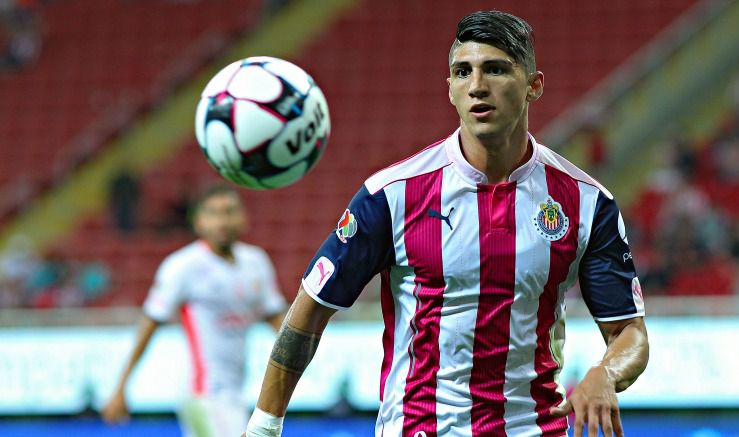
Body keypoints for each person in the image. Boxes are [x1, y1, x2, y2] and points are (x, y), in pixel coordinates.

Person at [245, 10, 649, 437]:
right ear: (451, 90)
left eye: (495, 70)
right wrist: (264, 425)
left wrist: (606, 372)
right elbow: (309, 312)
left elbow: (629, 333)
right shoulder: (392, 195)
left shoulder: (587, 203)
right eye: (463, 72)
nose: (477, 86)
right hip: (421, 428)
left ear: (534, 86)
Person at [103, 185, 286, 437]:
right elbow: (149, 324)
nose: (222, 220)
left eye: (229, 211)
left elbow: (278, 321)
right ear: (199, 222)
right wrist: (121, 387)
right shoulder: (183, 267)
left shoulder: (256, 262)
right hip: (203, 394)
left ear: (243, 218)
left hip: (236, 392)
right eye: (213, 213)